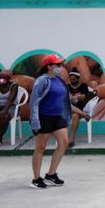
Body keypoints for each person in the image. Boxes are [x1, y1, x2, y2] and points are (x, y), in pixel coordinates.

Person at [30, 54, 71, 189]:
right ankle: (36, 179)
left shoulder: (60, 80)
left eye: (60, 64)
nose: (60, 67)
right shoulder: (41, 81)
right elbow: (34, 101)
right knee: (40, 148)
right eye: (57, 65)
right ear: (49, 66)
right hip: (44, 117)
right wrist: (35, 121)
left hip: (58, 117)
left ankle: (51, 174)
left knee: (63, 143)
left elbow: (63, 99)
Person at [66, 68, 96, 148]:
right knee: (68, 104)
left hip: (79, 109)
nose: (72, 80)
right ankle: (85, 115)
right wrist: (71, 98)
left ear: (78, 78)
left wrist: (80, 97)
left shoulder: (83, 86)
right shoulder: (67, 87)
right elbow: (65, 98)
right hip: (68, 110)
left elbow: (84, 97)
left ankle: (72, 138)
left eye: (74, 79)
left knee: (75, 115)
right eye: (71, 79)